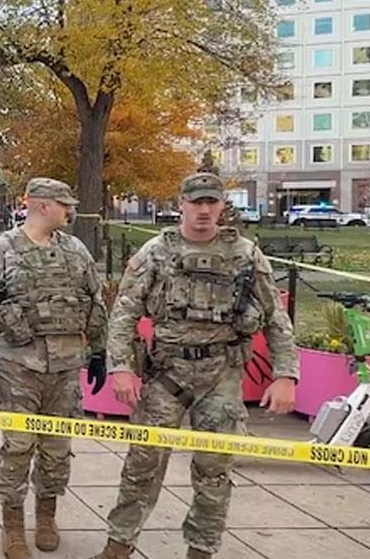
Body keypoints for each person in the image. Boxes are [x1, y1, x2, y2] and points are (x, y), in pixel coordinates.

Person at [88, 173, 298, 559]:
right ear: (181, 204)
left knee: (214, 470)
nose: (203, 210)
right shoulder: (156, 252)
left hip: (222, 375)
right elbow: (124, 313)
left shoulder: (246, 255)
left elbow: (276, 319)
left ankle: (201, 550)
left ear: (221, 206)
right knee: (143, 463)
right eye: (196, 202)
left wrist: (285, 375)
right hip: (167, 373)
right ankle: (118, 544)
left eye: (211, 203)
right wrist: (120, 367)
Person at [0, 177, 108, 559]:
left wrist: (100, 352)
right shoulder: (1, 250)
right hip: (17, 366)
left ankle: (47, 516)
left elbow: (94, 301)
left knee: (57, 447)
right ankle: (13, 528)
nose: (69, 210)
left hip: (65, 367)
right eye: (63, 204)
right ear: (41, 205)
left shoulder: (75, 251)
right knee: (19, 446)